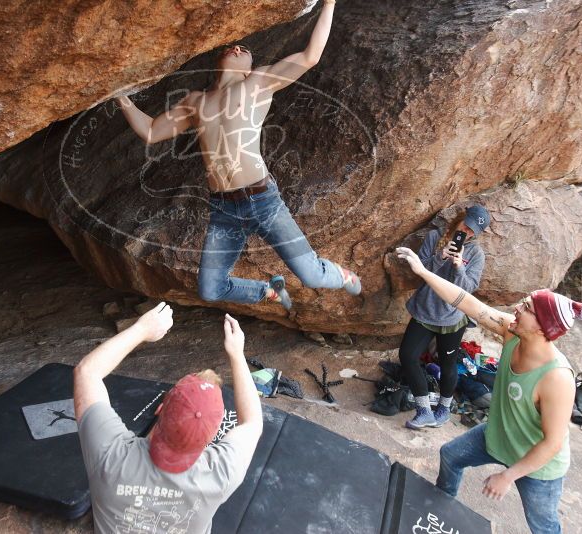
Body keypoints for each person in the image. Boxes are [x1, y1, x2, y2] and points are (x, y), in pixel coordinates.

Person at [116, 0, 360, 311]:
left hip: (263, 201)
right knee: (210, 288)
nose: (237, 47)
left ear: (249, 66)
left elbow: (310, 56)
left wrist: (328, 4)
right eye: (231, 46)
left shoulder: (258, 83)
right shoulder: (194, 102)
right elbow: (151, 131)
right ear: (217, 59)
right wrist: (119, 97)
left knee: (310, 275)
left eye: (245, 48)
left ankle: (340, 275)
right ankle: (267, 292)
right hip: (223, 209)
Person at [396, 246, 582, 534]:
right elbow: (468, 302)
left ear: (544, 328)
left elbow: (551, 443)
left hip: (536, 465)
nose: (517, 308)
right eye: (523, 303)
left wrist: (508, 476)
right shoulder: (511, 331)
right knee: (451, 456)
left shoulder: (557, 379)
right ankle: (438, 508)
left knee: (543, 526)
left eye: (527, 309)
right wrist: (424, 272)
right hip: (498, 436)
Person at [73, 302, 262, 533]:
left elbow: (87, 373)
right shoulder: (221, 474)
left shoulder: (110, 457)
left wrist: (141, 329)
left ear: (159, 409)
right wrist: (237, 354)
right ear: (216, 434)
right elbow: (253, 421)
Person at [400, 205, 490, 429]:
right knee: (408, 355)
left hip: (452, 317)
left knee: (448, 364)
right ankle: (424, 410)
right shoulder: (435, 237)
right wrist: (441, 256)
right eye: (465, 226)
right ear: (460, 219)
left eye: (472, 232)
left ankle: (444, 409)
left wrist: (459, 266)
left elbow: (468, 288)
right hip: (425, 310)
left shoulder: (475, 254)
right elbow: (418, 270)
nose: (466, 233)